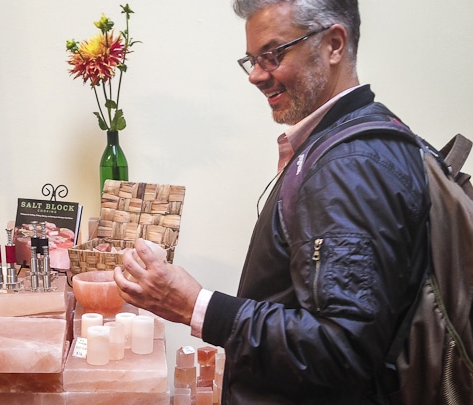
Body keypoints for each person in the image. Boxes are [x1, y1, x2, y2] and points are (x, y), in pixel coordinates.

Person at [114, 0, 431, 403]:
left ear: (334, 44)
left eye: (273, 54)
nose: (257, 76)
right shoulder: (346, 144)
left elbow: (342, 350)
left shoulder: (350, 165)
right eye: (252, 60)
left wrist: (196, 306)